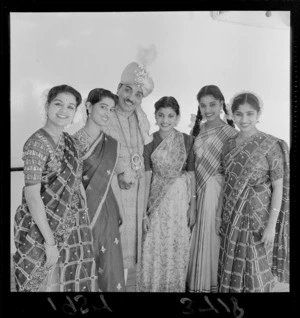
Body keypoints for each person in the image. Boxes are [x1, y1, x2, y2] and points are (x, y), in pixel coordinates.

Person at [13, 84, 97, 292]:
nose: (63, 111)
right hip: (41, 228)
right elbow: (32, 197)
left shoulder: (70, 142)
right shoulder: (36, 143)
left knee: (69, 281)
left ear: (75, 112)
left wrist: (85, 222)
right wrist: (50, 243)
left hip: (73, 225)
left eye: (70, 107)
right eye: (58, 104)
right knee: (43, 282)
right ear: (48, 105)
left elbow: (76, 184)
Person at [216, 91, 289, 292]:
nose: (244, 119)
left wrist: (272, 225)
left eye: (250, 114)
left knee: (257, 266)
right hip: (232, 216)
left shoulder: (271, 145)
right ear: (232, 114)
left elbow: (278, 187)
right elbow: (227, 184)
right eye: (239, 114)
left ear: (258, 114)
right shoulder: (229, 145)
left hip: (258, 217)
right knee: (231, 263)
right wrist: (219, 217)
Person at [136, 96, 196, 292]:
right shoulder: (149, 141)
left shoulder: (187, 141)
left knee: (176, 245)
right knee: (153, 245)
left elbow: (192, 175)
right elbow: (145, 178)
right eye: (161, 115)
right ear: (155, 116)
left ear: (177, 118)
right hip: (156, 202)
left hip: (179, 202)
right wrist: (144, 213)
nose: (165, 120)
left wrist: (192, 207)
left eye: (171, 116)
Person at [102, 61, 154, 286]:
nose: (131, 97)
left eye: (138, 94)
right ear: (118, 88)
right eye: (128, 90)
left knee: (133, 250)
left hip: (137, 193)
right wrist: (120, 172)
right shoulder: (105, 114)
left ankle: (126, 286)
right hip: (112, 190)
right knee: (113, 246)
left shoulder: (141, 117)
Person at [73, 88, 126, 292]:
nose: (107, 113)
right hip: (82, 211)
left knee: (110, 263)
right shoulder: (72, 142)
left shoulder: (111, 143)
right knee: (83, 262)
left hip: (108, 209)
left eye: (111, 109)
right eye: (103, 107)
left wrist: (120, 210)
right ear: (88, 106)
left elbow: (111, 180)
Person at [186, 85, 237, 293]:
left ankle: (211, 287)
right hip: (197, 190)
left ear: (221, 104)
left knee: (213, 238)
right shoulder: (197, 131)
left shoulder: (231, 134)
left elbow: (231, 173)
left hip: (216, 192)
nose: (208, 110)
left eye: (213, 104)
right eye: (203, 105)